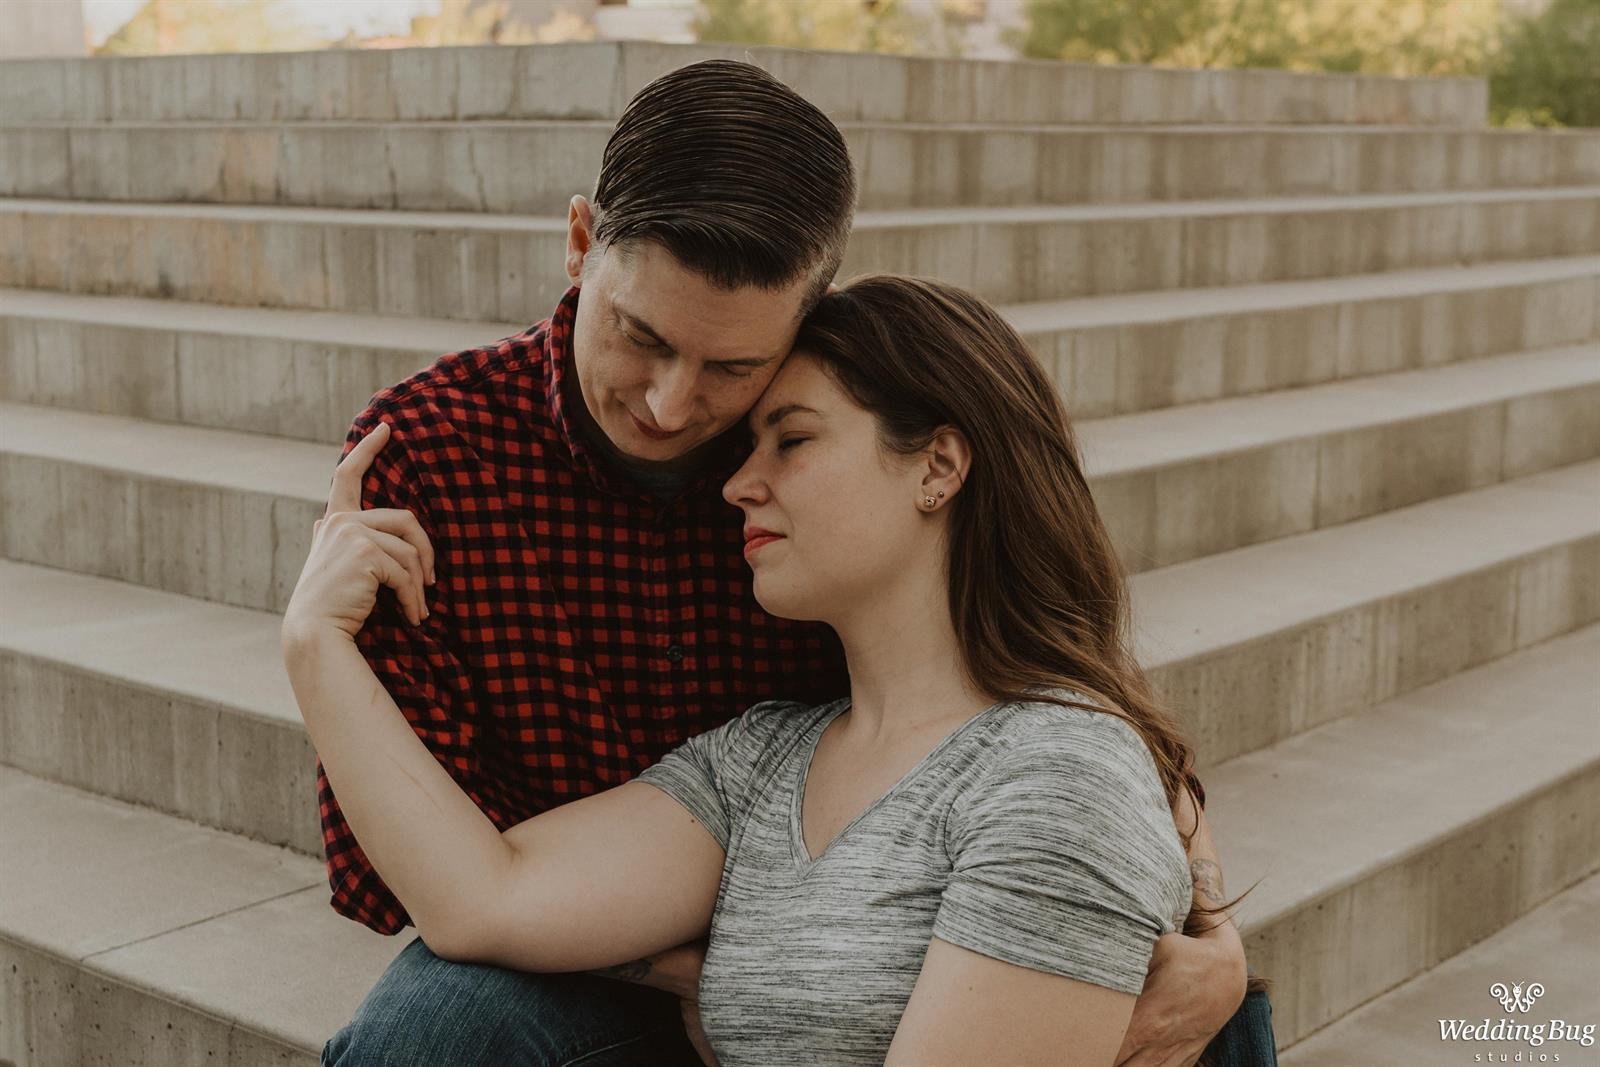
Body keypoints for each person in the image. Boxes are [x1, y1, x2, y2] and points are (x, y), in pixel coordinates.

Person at [299, 58, 1264, 1066]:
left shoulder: (832, 424)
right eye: (640, 336)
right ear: (581, 242)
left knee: (1195, 1003)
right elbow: (447, 885)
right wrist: (311, 646)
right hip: (599, 941)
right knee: (433, 1032)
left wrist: (1209, 919)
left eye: (736, 375)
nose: (675, 407)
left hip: (908, 907)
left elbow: (1067, 696)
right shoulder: (431, 456)